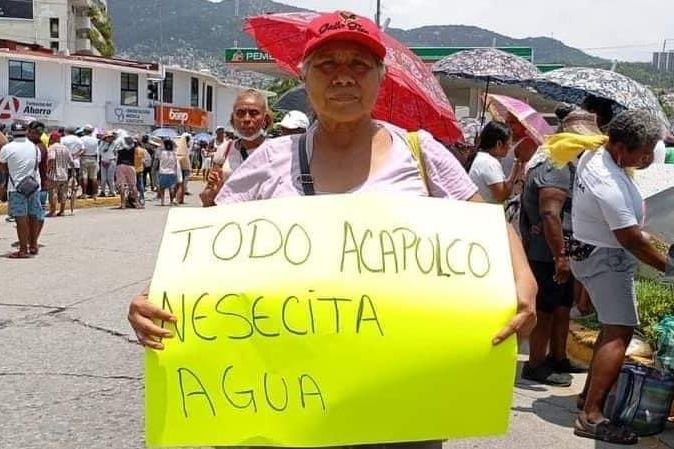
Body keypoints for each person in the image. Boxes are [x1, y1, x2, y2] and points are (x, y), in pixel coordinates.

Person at [128, 18, 538, 449]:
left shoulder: (421, 153)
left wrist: (523, 280)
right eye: (326, 64)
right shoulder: (270, 159)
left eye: (359, 64)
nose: (343, 76)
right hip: (288, 404)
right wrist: (153, 296)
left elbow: (487, 225)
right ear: (304, 78)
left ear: (382, 78)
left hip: (401, 407)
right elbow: (208, 249)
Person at [544, 110, 673, 445]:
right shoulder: (607, 182)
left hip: (594, 251)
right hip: (606, 260)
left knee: (609, 329)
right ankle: (591, 416)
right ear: (620, 147)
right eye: (643, 153)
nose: (647, 159)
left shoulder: (599, 153)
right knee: (619, 332)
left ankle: (588, 396)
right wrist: (670, 268)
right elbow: (631, 239)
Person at [519, 111, 599, 387]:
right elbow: (550, 213)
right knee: (545, 309)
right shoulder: (556, 166)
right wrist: (560, 256)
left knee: (562, 306)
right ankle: (535, 363)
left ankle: (558, 356)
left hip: (558, 249)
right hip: (548, 253)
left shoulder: (565, 163)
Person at [200, 90, 272, 206]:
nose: (247, 119)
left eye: (254, 113)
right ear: (233, 120)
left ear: (265, 119)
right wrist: (212, 190)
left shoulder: (276, 151)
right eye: (240, 113)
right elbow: (207, 199)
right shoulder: (224, 150)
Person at [0, 122, 44, 258]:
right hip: (33, 186)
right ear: (26, 132)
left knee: (21, 218)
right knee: (33, 215)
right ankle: (34, 245)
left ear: (12, 133)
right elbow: (36, 164)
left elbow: (3, 167)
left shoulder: (7, 148)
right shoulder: (35, 148)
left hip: (16, 188)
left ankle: (23, 249)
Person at [468, 121, 525, 204]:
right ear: (499, 144)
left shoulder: (482, 157)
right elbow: (501, 196)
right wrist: (514, 174)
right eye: (509, 144)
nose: (510, 147)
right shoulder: (489, 163)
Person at [46, 131, 74, 217]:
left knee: (53, 192)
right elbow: (71, 162)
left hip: (54, 175)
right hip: (64, 175)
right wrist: (73, 173)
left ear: (52, 139)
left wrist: (47, 170)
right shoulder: (65, 148)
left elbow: (51, 159)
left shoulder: (52, 148)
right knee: (63, 193)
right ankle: (62, 211)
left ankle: (53, 211)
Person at [115, 136, 140, 209]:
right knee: (133, 185)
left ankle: (123, 204)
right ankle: (137, 203)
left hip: (120, 166)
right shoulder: (134, 149)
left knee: (122, 185)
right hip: (131, 166)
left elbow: (115, 151)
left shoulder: (120, 149)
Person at [61, 127, 84, 196]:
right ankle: (74, 192)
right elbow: (83, 149)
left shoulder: (63, 139)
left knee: (66, 178)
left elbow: (61, 148)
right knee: (75, 177)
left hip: (65, 162)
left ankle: (65, 193)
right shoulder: (79, 139)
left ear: (66, 132)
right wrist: (76, 155)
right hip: (76, 161)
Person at [157, 138, 179, 207]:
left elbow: (157, 155)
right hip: (171, 172)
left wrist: (162, 143)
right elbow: (176, 163)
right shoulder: (174, 153)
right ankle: (171, 201)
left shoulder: (162, 153)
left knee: (162, 187)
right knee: (171, 187)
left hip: (162, 172)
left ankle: (162, 201)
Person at [79, 125, 99, 199]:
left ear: (85, 131)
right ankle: (94, 194)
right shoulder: (95, 140)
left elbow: (81, 149)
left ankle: (84, 193)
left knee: (84, 177)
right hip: (93, 158)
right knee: (94, 177)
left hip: (84, 158)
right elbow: (97, 151)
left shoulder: (81, 139)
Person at [175, 133, 192, 203]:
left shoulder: (180, 147)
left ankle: (179, 198)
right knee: (183, 184)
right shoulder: (186, 147)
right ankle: (180, 199)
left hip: (180, 167)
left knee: (180, 184)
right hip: (186, 167)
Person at [98, 131, 117, 197]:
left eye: (111, 137)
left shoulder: (114, 144)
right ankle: (102, 191)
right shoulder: (102, 143)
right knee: (103, 178)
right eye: (108, 137)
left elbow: (115, 153)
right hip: (103, 161)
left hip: (111, 161)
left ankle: (112, 191)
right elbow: (99, 152)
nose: (109, 138)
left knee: (110, 178)